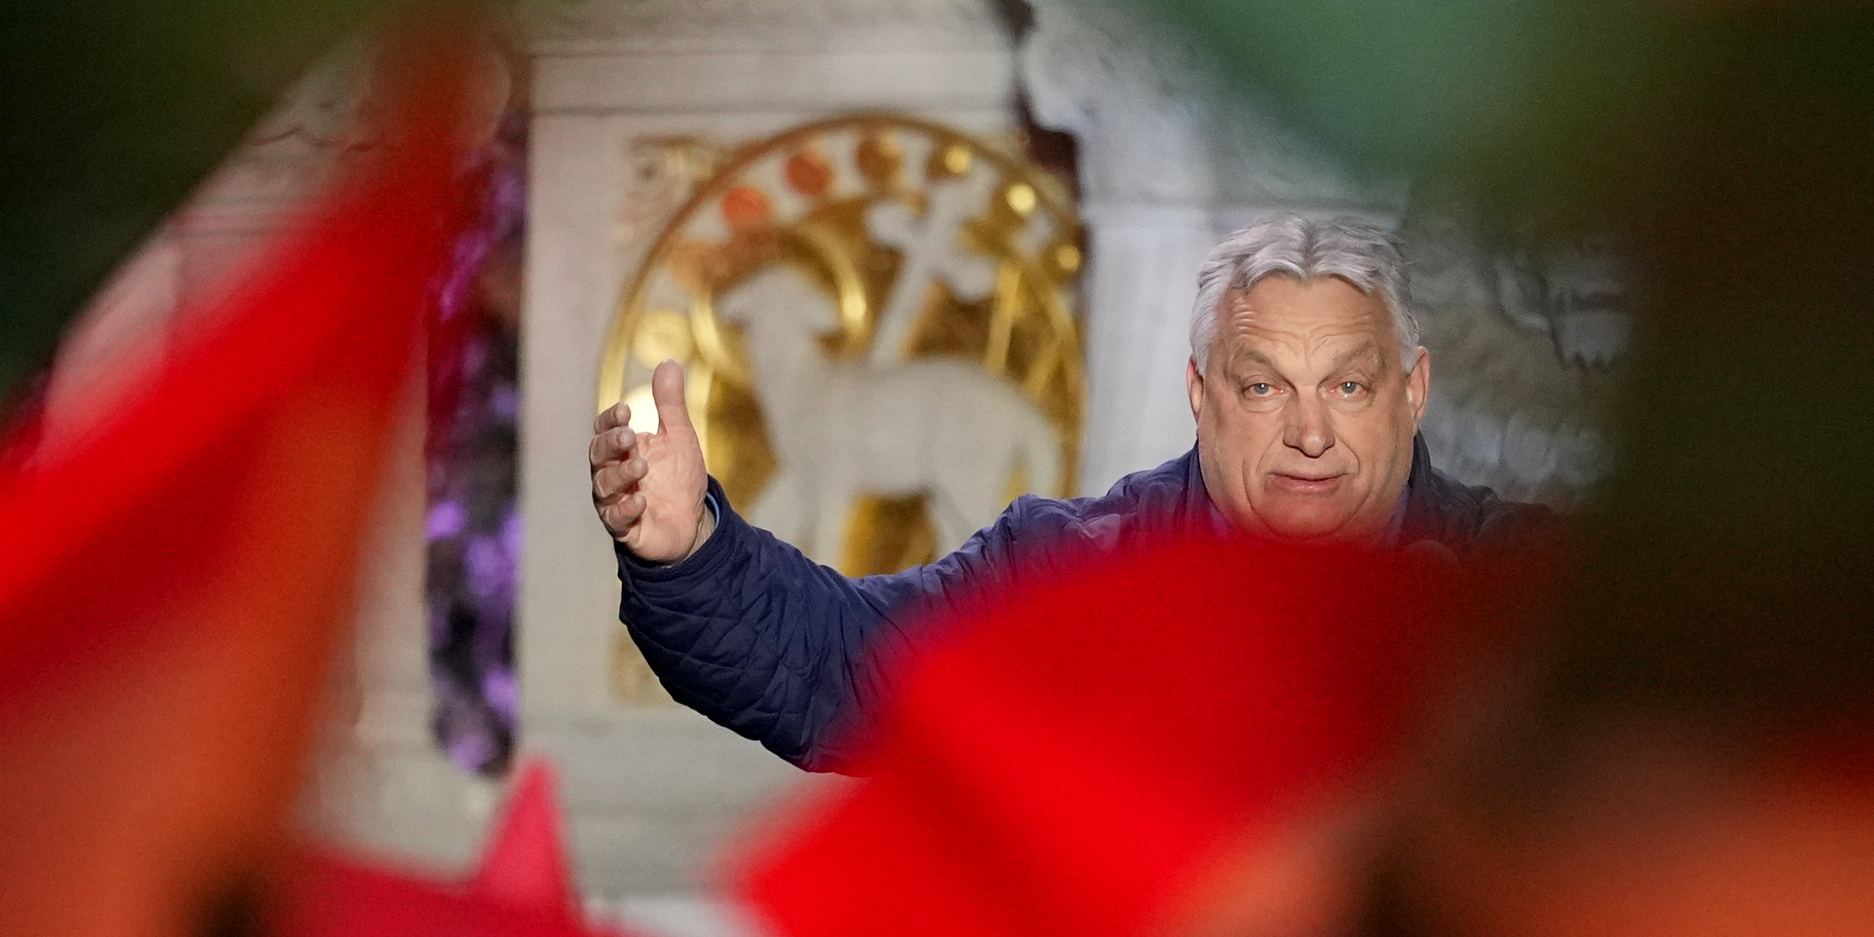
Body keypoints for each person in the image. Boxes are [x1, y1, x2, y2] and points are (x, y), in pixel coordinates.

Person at [588, 213, 1539, 774]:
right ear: (1201, 395)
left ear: (1411, 390)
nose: (1309, 432)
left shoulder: (1529, 587)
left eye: (1346, 385)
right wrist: (692, 556)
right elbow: (847, 670)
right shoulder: (1071, 575)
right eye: (1261, 387)